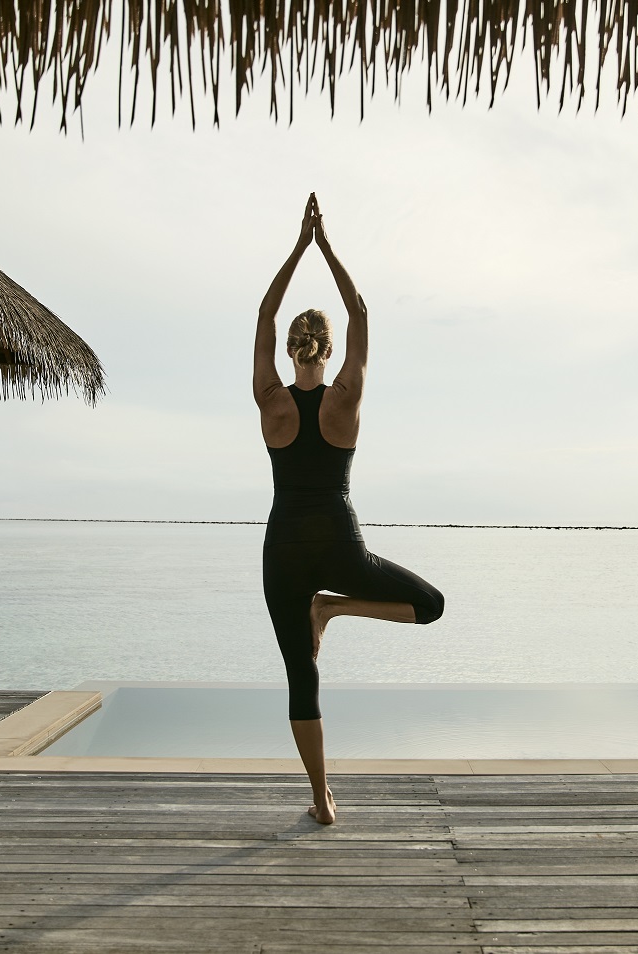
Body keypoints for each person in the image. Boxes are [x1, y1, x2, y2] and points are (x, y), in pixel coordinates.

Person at [253, 194, 445, 825]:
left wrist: (296, 248)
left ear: (289, 350)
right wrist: (325, 245)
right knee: (430, 605)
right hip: (340, 543)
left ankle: (321, 800)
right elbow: (359, 308)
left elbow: (263, 309)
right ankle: (335, 605)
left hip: (283, 550)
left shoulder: (269, 400)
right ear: (329, 351)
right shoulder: (347, 397)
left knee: (300, 676)